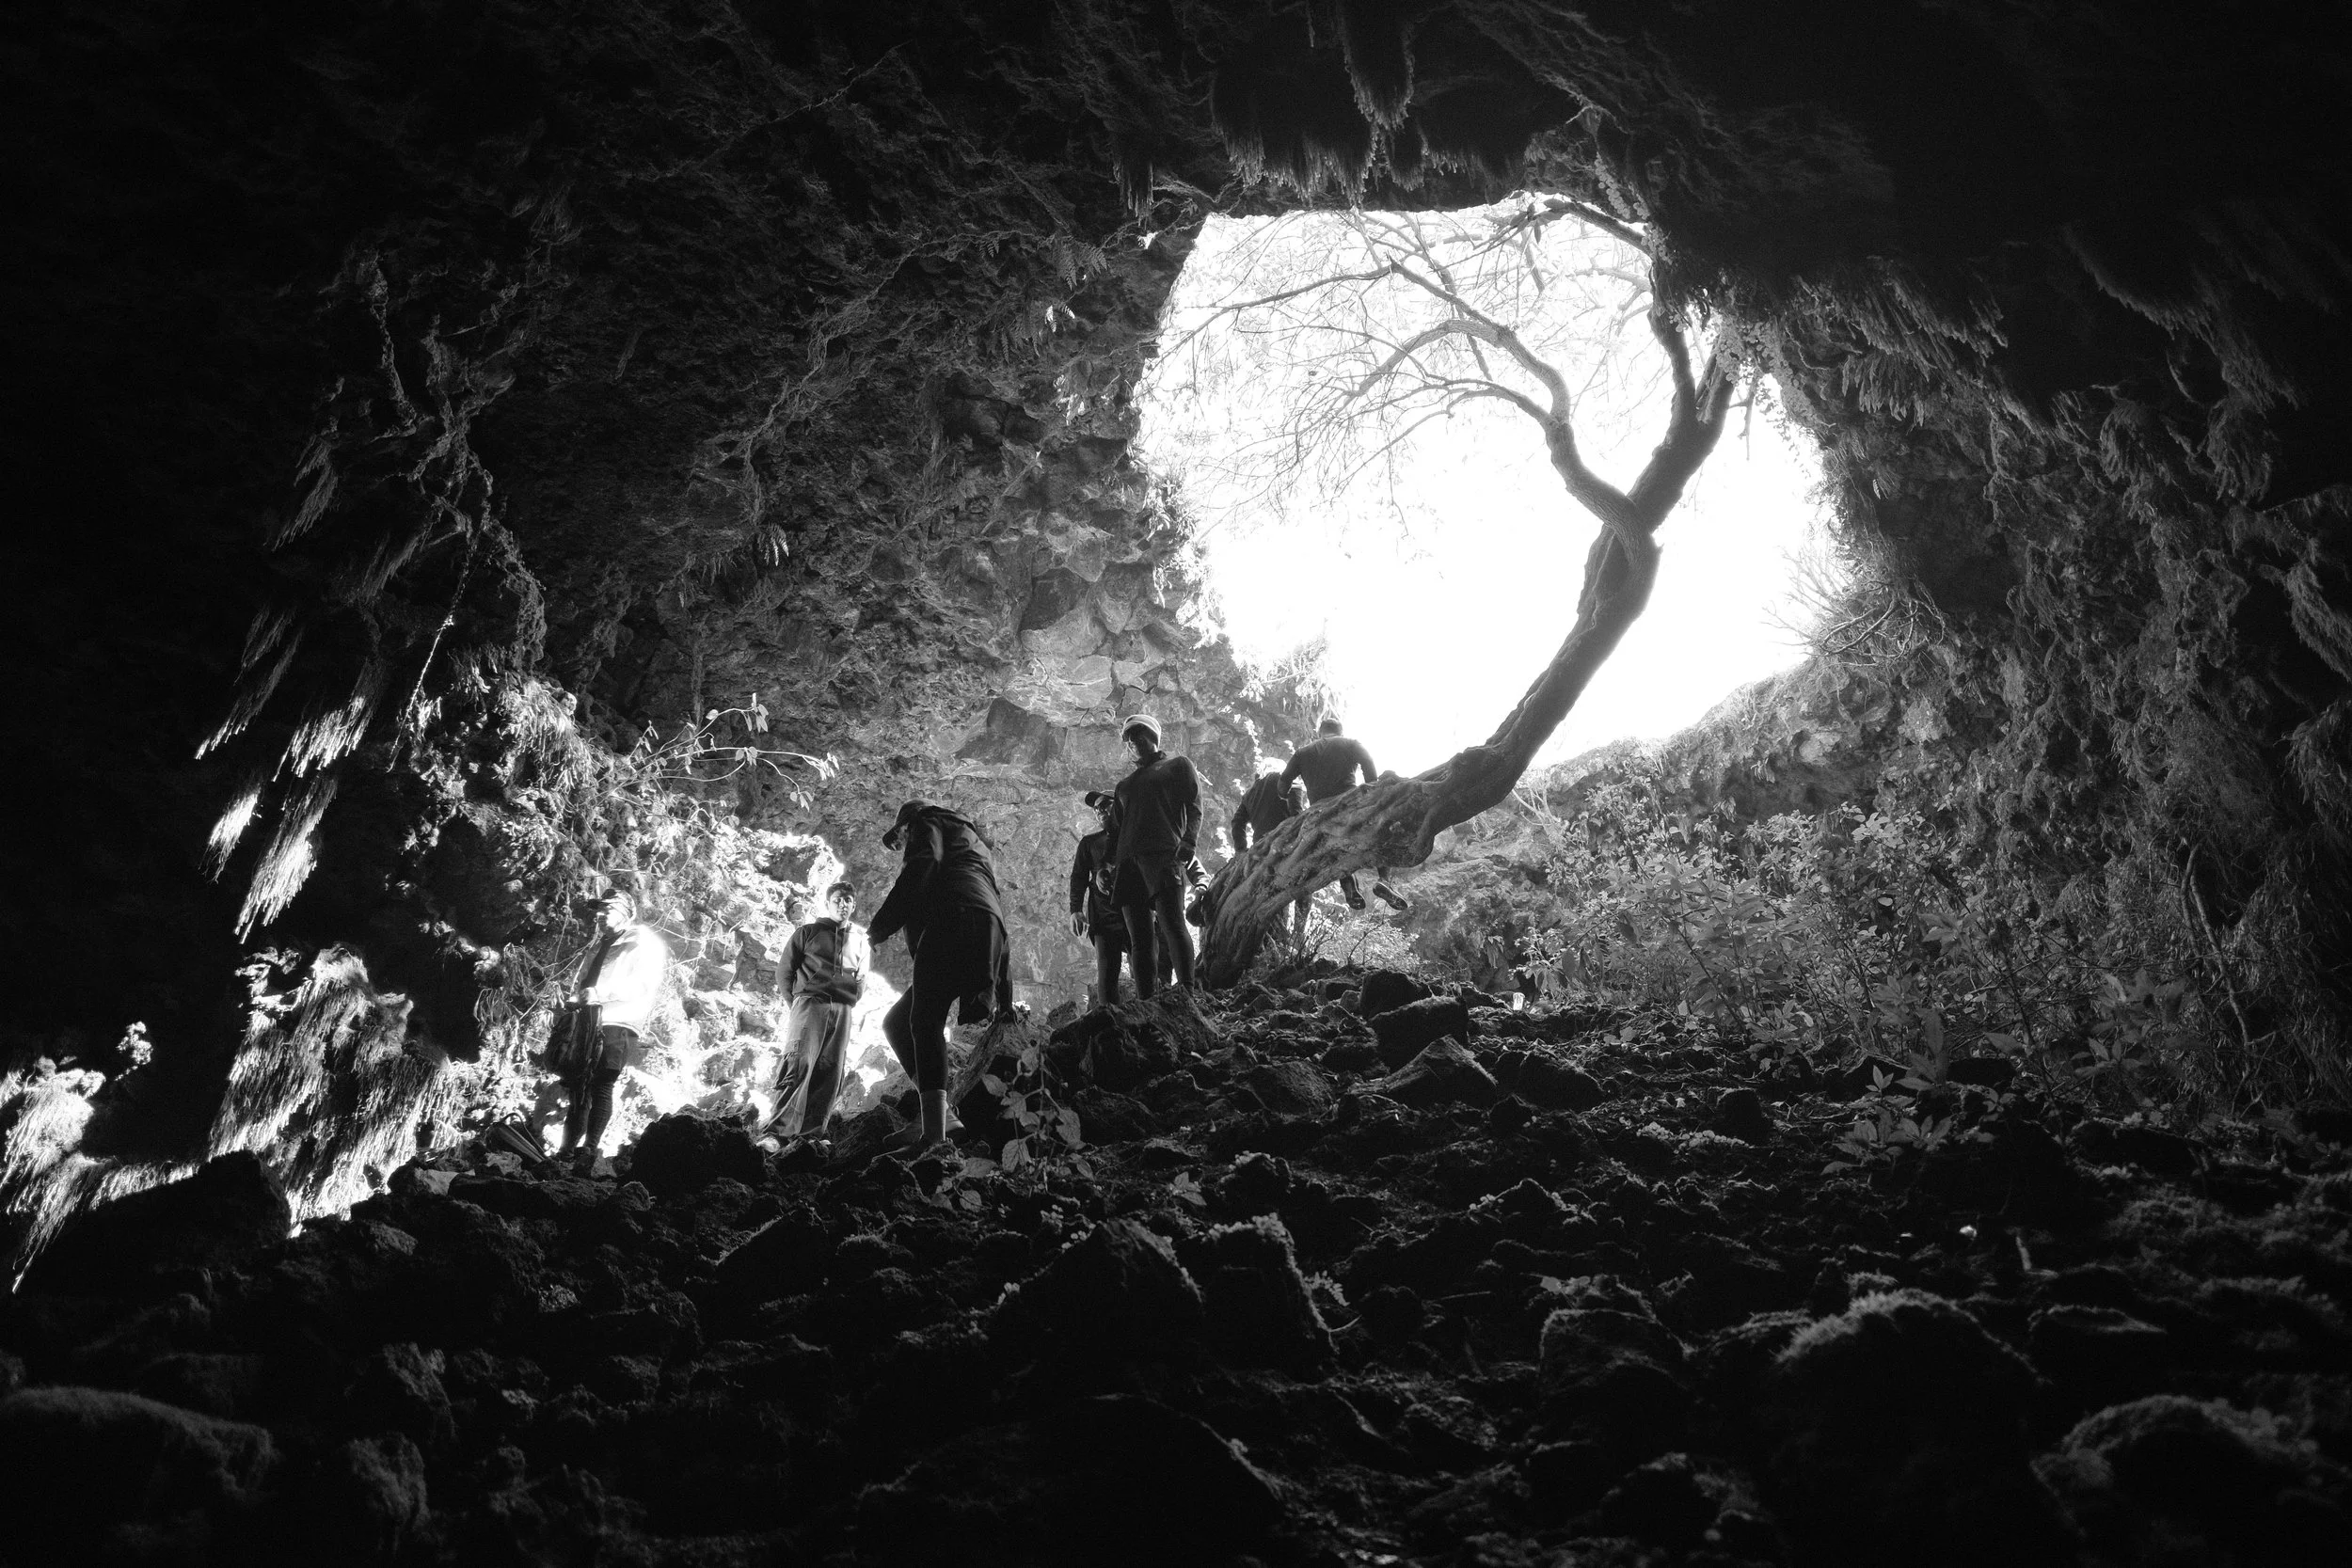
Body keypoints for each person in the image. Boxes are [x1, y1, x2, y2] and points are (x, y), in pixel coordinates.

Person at [867, 800, 1014, 1153]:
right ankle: (938, 1114)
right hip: (985, 931)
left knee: (924, 1022)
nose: (901, 846)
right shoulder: (973, 847)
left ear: (906, 826)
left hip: (952, 919)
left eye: (900, 839)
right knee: (898, 1022)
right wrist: (1004, 992)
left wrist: (877, 929)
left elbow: (921, 868)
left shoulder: (926, 821)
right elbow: (992, 909)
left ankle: (935, 1139)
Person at [559, 890, 671, 1177]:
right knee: (579, 1085)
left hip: (619, 1020)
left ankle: (589, 1149)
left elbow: (643, 984)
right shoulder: (602, 944)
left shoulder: (642, 942)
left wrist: (599, 993)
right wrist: (576, 1000)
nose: (599, 916)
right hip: (590, 1019)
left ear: (626, 912)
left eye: (607, 910)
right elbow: (588, 982)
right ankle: (566, 1151)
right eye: (598, 911)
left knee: (601, 1084)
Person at [767, 879, 868, 1150]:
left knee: (830, 1069)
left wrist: (848, 1000)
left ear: (854, 905)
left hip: (843, 1010)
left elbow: (862, 979)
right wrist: (799, 1002)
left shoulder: (860, 941)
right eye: (838, 899)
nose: (843, 904)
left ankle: (811, 1135)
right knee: (798, 1062)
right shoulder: (807, 932)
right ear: (827, 903)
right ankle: (776, 1133)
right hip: (810, 1004)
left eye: (848, 900)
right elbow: (784, 971)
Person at [1111, 714, 1200, 997]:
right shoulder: (1123, 786)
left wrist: (1189, 841)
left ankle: (1187, 992)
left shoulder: (1178, 765)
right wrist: (1105, 867)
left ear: (1152, 736)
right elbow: (1115, 831)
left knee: (1172, 923)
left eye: (1137, 734)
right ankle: (1146, 1001)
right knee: (1139, 939)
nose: (1132, 742)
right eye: (1128, 739)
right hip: (1127, 864)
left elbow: (1195, 806)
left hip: (1163, 855)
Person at [1280, 718, 1409, 912]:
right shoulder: (1350, 743)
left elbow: (1283, 783)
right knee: (1380, 832)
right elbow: (1368, 764)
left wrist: (1284, 795)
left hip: (1320, 813)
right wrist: (1372, 792)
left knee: (1336, 847)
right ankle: (1384, 880)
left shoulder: (1302, 752)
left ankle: (1348, 882)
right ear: (1340, 732)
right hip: (1350, 803)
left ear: (1320, 733)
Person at [1229, 770, 1311, 943]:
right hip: (1286, 848)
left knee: (1266, 899)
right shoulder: (1289, 781)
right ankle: (1297, 936)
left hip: (1260, 853)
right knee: (1304, 883)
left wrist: (1241, 850)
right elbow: (1297, 816)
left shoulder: (1250, 793)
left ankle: (1263, 943)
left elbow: (1237, 823)